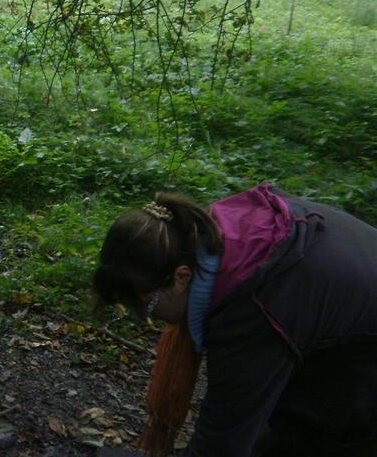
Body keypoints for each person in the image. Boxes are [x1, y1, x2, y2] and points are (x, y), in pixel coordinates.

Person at [93, 184, 377, 457]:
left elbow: (221, 442)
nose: (147, 318)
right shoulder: (212, 237)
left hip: (362, 344)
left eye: (147, 306)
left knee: (328, 432)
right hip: (344, 309)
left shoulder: (251, 309)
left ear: (181, 276)